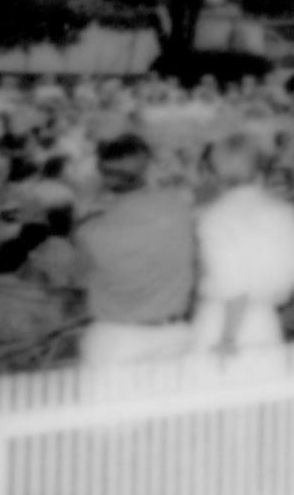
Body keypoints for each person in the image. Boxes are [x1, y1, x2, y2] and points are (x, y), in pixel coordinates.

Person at [191, 141, 294, 361]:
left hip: (221, 325)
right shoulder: (285, 213)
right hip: (266, 326)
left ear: (217, 171)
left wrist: (228, 339)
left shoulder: (215, 217)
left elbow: (235, 287)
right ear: (260, 169)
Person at [75, 133, 201, 377]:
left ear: (103, 176)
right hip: (174, 336)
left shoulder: (91, 232)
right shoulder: (179, 209)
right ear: (148, 169)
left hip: (115, 342)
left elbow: (79, 282)